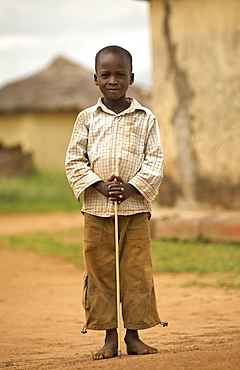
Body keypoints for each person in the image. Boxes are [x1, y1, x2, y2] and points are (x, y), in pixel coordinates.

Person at [65, 45, 164, 360]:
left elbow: (155, 161)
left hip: (135, 212)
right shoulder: (86, 119)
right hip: (96, 211)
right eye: (105, 75)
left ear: (131, 78)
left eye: (119, 74)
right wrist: (99, 185)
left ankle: (133, 336)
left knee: (136, 272)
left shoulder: (146, 118)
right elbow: (73, 161)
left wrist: (133, 188)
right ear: (95, 79)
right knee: (101, 273)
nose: (112, 80)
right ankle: (109, 338)